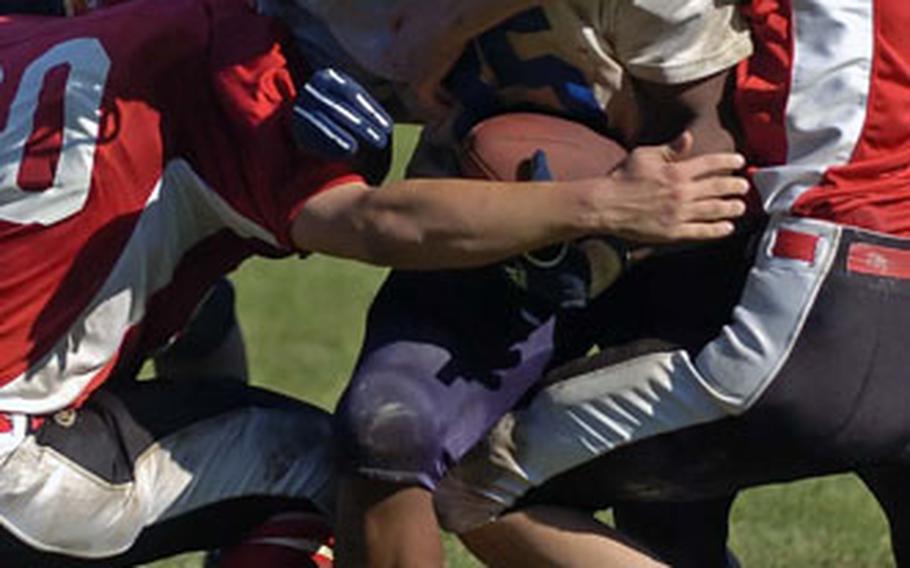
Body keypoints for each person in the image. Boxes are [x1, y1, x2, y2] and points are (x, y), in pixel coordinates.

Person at [0, 0, 748, 565]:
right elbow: (368, 222)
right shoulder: (221, 63)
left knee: (203, 329)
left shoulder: (24, 37)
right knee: (334, 468)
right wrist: (600, 202)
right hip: (12, 468)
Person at [433, 0, 910, 566]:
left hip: (826, 304)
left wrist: (433, 50)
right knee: (661, 519)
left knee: (474, 487)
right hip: (853, 287)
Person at [282, 1, 755, 565]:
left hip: (668, 236)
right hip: (484, 229)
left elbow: (709, 133)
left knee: (671, 519)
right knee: (385, 431)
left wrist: (617, 225)